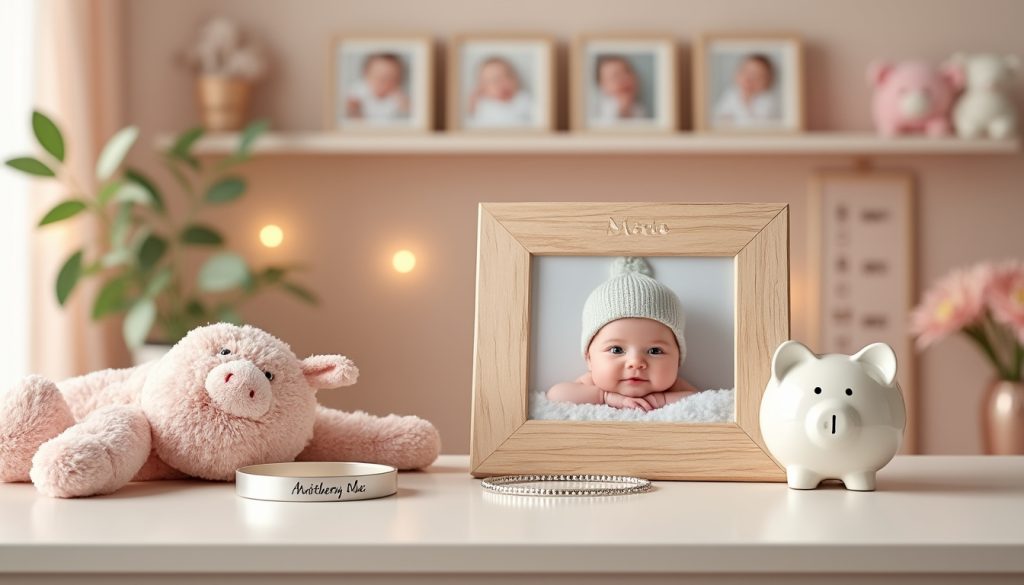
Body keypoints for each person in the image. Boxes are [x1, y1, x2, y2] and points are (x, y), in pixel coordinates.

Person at [547, 257, 699, 411]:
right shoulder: (590, 383)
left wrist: (661, 399)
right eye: (616, 350)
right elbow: (556, 395)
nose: (635, 362)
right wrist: (605, 397)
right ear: (589, 359)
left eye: (655, 351)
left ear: (677, 359)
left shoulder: (673, 387)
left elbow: (699, 400)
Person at [712, 53, 781, 126]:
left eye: (756, 76)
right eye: (745, 72)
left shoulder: (767, 100)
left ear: (768, 82)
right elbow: (718, 116)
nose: (749, 79)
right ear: (737, 74)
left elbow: (758, 124)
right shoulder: (731, 94)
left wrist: (747, 100)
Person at [467, 56, 533, 127]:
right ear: (483, 88)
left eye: (508, 76)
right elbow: (472, 122)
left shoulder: (522, 99)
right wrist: (472, 106)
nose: (503, 83)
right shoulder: (483, 104)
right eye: (495, 81)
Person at [344, 52, 410, 122]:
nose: (382, 81)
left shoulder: (397, 96)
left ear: (399, 81)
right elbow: (350, 105)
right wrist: (353, 108)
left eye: (389, 78)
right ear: (365, 75)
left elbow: (408, 111)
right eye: (377, 76)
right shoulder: (360, 89)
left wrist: (404, 106)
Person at [592, 55, 648, 122]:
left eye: (627, 72)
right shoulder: (600, 114)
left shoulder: (639, 109)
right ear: (602, 86)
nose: (624, 79)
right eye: (615, 76)